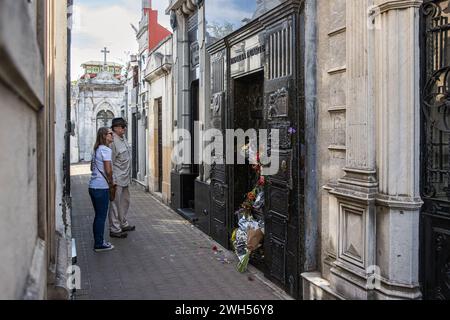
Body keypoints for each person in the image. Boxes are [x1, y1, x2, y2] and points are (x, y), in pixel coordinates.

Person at [89, 127, 115, 252]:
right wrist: (111, 182)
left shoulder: (96, 150)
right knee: (101, 216)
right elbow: (108, 170)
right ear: (105, 136)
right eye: (110, 133)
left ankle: (99, 241)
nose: (112, 135)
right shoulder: (106, 150)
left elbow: (91, 168)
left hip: (92, 186)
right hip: (101, 187)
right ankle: (99, 244)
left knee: (98, 216)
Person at [109, 118, 135, 238]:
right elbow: (110, 162)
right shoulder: (112, 141)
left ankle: (123, 223)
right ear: (115, 128)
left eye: (124, 126)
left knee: (125, 202)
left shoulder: (122, 139)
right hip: (117, 180)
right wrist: (112, 180)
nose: (124, 128)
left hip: (125, 178)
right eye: (122, 126)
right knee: (115, 205)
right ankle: (115, 229)